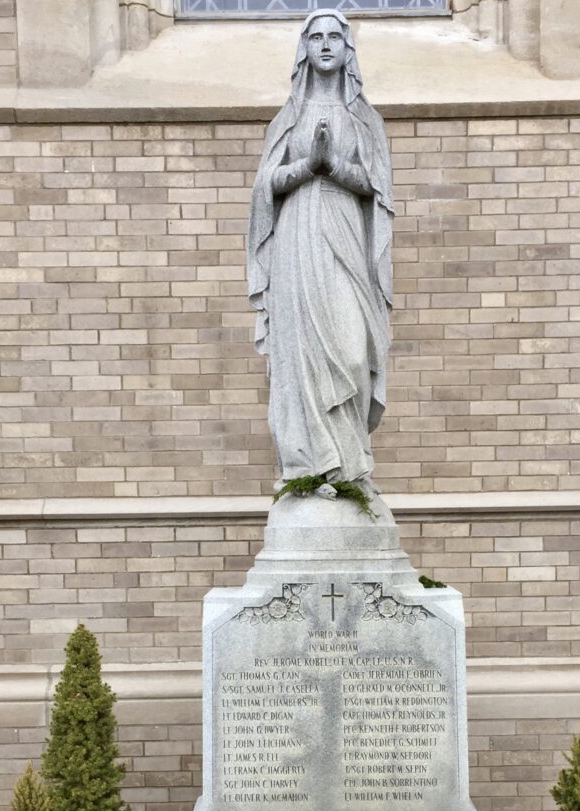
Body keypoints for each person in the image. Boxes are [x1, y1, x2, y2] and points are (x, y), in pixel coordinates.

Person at [247, 9, 393, 500]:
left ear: (347, 49)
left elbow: (378, 188)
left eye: (335, 36)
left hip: (345, 231)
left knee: (352, 354)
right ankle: (310, 472)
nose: (326, 44)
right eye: (317, 37)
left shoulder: (364, 119)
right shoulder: (287, 119)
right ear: (304, 48)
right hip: (297, 237)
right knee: (301, 354)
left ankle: (350, 467)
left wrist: (335, 168)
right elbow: (266, 186)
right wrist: (309, 165)